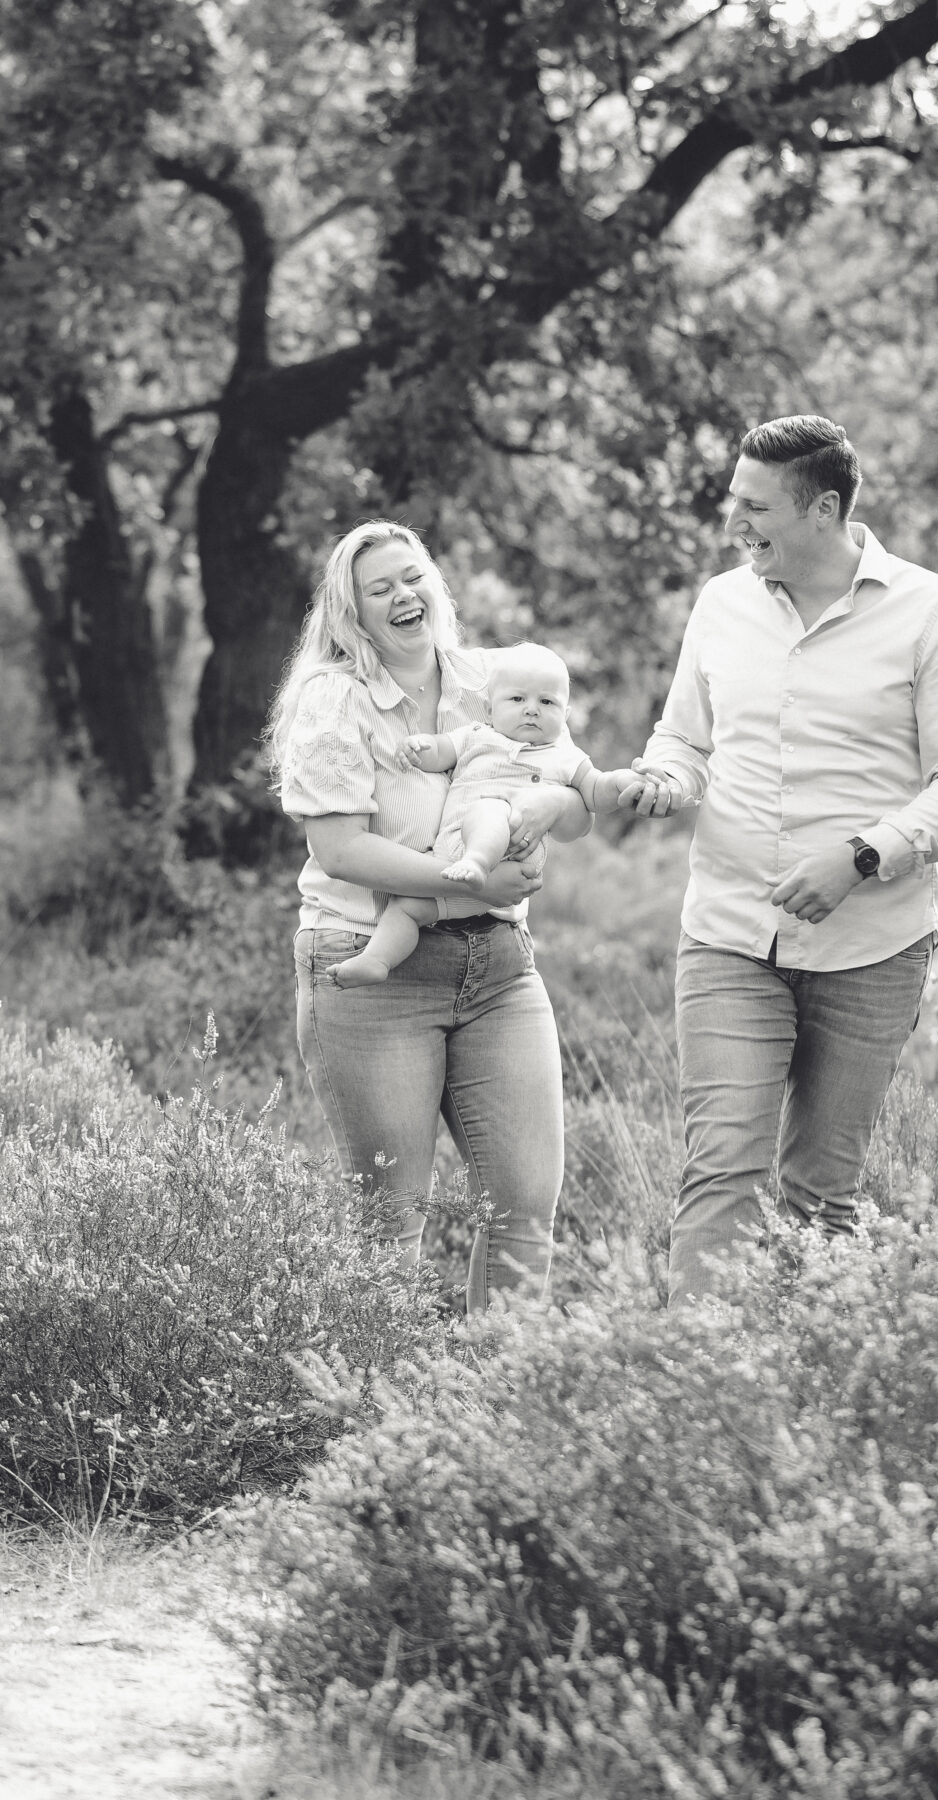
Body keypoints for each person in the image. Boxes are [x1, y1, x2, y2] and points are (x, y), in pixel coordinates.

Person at [626, 415, 938, 1303]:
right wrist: (663, 782)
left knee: (822, 1194)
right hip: (727, 935)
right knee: (721, 1168)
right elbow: (684, 739)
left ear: (824, 508)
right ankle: (696, 1401)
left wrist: (864, 855)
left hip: (874, 948)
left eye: (754, 508)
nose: (734, 525)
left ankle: (800, 1400)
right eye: (734, 504)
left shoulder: (931, 611)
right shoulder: (721, 604)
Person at [265, 520, 597, 1312]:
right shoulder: (331, 699)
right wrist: (468, 882)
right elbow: (341, 849)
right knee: (388, 1226)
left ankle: (497, 1411)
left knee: (524, 1210)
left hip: (499, 970)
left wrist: (552, 801)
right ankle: (386, 1422)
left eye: (412, 578)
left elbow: (579, 801)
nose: (402, 596)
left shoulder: (494, 678)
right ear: (350, 612)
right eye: (379, 589)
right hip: (370, 966)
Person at [332, 642, 642, 986]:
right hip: (448, 865)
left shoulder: (564, 755)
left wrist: (626, 783)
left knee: (489, 809)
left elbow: (597, 791)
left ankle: (477, 862)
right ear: (489, 710)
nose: (532, 710)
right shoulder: (476, 735)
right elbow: (440, 752)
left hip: (504, 862)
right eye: (517, 700)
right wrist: (419, 747)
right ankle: (377, 960)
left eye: (547, 702)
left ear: (565, 716)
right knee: (407, 908)